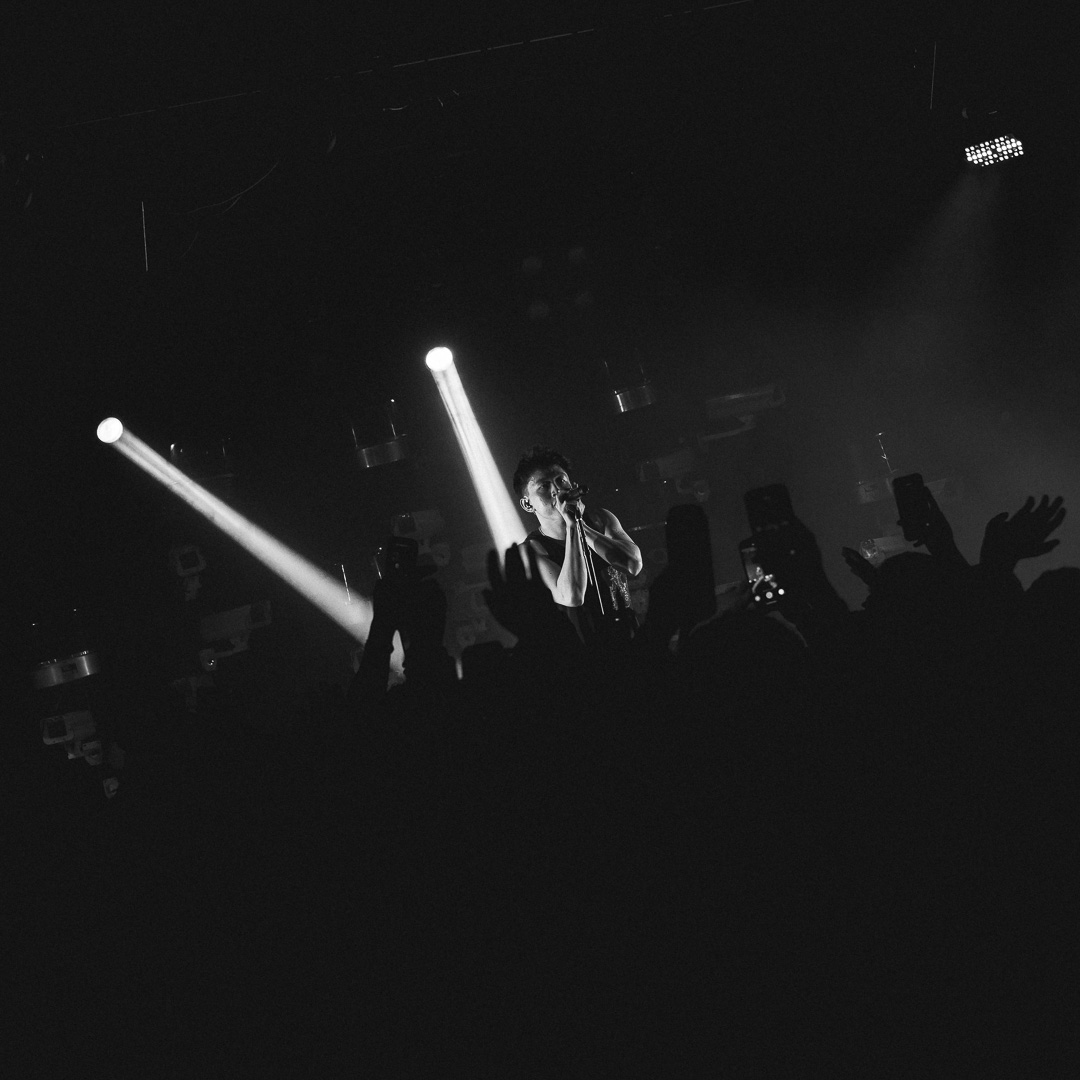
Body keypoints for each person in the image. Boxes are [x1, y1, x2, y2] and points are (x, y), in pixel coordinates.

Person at [512, 445, 643, 645]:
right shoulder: (530, 550)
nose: (556, 491)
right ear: (528, 504)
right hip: (582, 654)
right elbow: (572, 596)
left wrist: (581, 525)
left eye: (561, 480)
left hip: (630, 642)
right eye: (544, 486)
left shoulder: (601, 520)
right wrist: (573, 526)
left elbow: (633, 564)